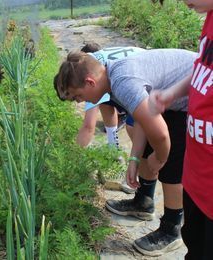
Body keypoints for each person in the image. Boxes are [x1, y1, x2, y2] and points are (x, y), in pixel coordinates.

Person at [54, 48, 196, 256]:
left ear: (90, 82)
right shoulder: (112, 76)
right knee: (149, 150)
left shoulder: (122, 82)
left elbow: (161, 134)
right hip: (174, 99)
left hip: (197, 95)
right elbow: (142, 120)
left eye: (79, 96)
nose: (80, 102)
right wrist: (135, 158)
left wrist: (160, 156)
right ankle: (144, 202)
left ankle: (171, 229)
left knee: (171, 166)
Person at [148, 1, 213, 259]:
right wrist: (171, 93)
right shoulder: (209, 18)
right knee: (195, 247)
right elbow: (202, 69)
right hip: (197, 177)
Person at [77, 43, 145, 148]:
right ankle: (113, 147)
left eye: (76, 96)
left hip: (146, 75)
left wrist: (73, 155)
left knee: (133, 126)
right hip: (140, 65)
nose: (78, 100)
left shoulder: (92, 76)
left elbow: (88, 127)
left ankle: (142, 160)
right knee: (104, 101)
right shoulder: (95, 62)